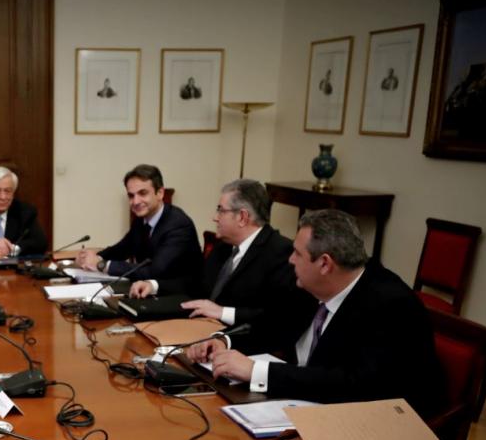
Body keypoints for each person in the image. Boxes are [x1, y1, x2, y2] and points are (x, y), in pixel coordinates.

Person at [185, 209, 444, 416]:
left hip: (374, 425)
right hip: (299, 406)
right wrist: (224, 341)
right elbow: (272, 324)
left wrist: (257, 372)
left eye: (298, 253)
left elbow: (354, 384)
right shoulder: (312, 285)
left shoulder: (391, 305)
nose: (290, 260)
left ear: (324, 264)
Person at [130, 179, 311, 327]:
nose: (215, 217)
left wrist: (222, 312)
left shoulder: (281, 253)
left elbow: (278, 317)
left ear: (242, 217)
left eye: (221, 210)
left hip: (240, 343)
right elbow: (197, 283)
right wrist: (154, 285)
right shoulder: (224, 245)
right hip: (200, 328)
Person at [76, 164, 203, 287]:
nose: (135, 201)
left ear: (160, 193)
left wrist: (102, 265)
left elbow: (154, 271)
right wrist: (92, 258)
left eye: (143, 193)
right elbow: (122, 248)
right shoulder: (141, 219)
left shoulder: (178, 225)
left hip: (181, 295)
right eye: (131, 196)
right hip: (148, 291)